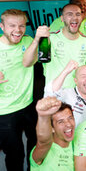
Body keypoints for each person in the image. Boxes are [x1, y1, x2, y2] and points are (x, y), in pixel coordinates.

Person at [23, 3, 86, 90]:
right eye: (69, 14)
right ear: (62, 18)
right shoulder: (49, 38)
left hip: (78, 94)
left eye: (78, 14)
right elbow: (27, 63)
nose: (74, 17)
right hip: (55, 94)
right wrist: (36, 39)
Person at [0, 9, 37, 171]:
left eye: (22, 26)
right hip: (5, 111)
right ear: (2, 27)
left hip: (28, 105)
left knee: (35, 144)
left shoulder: (29, 41)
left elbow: (30, 62)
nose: (18, 30)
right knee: (15, 154)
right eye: (12, 25)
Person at [44, 60, 86, 127]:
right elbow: (50, 94)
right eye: (83, 76)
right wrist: (65, 71)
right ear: (76, 81)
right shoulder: (68, 94)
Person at [29, 97, 75, 170]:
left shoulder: (79, 141)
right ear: (52, 128)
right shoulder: (44, 150)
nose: (68, 124)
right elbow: (43, 142)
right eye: (61, 122)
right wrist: (43, 116)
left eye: (70, 118)